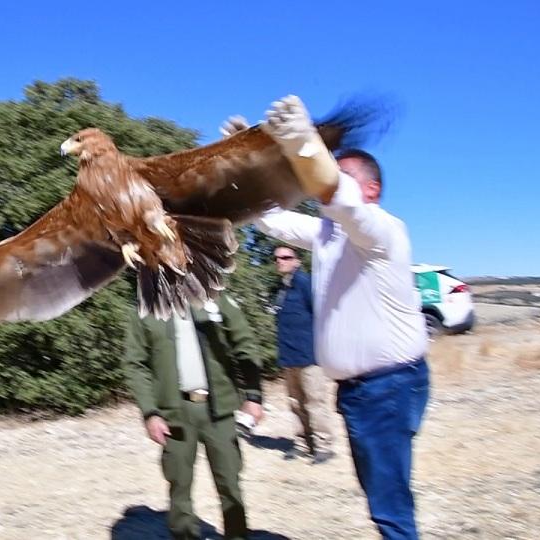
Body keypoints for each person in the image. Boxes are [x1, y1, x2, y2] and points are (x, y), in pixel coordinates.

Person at [221, 96, 430, 540]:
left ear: (370, 189)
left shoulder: (381, 230)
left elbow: (345, 203)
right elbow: (272, 221)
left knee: (390, 502)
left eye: (342, 175)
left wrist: (302, 142)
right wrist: (246, 161)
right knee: (381, 495)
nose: (323, 184)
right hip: (361, 391)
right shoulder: (326, 236)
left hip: (388, 387)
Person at [123, 293, 264, 540]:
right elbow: (135, 363)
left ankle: (237, 535)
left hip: (218, 408)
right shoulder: (147, 308)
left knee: (230, 482)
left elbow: (245, 342)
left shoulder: (214, 298)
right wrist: (150, 413)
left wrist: (253, 395)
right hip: (174, 413)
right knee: (179, 485)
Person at [271, 244, 334, 463]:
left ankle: (324, 445)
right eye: (277, 258)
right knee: (295, 403)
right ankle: (301, 442)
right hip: (289, 357)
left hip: (309, 357)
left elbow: (321, 315)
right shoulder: (281, 288)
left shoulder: (306, 284)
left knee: (315, 402)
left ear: (297, 261)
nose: (281, 261)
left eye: (286, 257)